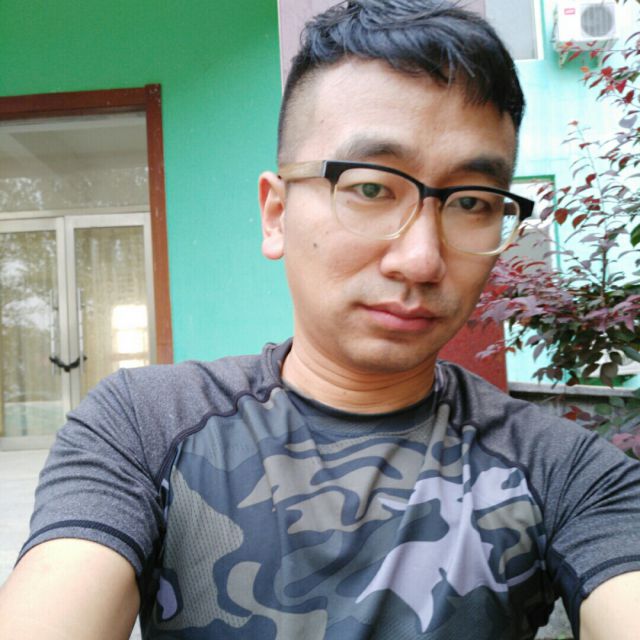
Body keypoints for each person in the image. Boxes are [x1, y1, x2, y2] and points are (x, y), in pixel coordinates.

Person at [1, 1, 639, 638]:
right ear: (276, 213)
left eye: (471, 202)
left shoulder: (563, 471)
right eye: (371, 188)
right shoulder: (146, 426)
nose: (421, 260)